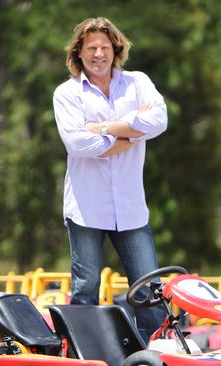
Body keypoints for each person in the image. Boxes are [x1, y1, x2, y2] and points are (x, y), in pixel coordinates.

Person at [52, 17, 168, 343]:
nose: (99, 54)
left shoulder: (138, 83)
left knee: (149, 286)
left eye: (104, 47)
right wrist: (131, 133)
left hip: (130, 208)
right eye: (91, 48)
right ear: (79, 53)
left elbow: (159, 120)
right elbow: (76, 143)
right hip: (86, 208)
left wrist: (104, 128)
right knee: (85, 287)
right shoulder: (66, 94)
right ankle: (80, 352)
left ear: (116, 50)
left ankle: (154, 352)